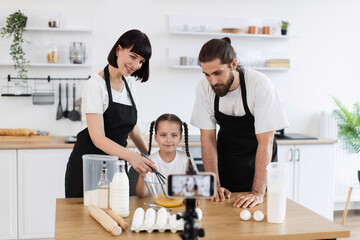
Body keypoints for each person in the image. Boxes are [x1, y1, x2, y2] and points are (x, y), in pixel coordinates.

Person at [191, 37, 289, 208]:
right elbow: (207, 139)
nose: (212, 81)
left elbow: (265, 143)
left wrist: (258, 192)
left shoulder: (259, 85)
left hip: (258, 165)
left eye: (217, 73)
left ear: (233, 64)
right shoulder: (204, 88)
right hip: (226, 163)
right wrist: (214, 184)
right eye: (206, 74)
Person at [65, 29, 157, 198]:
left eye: (141, 61)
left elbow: (132, 127)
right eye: (133, 56)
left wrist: (150, 155)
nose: (136, 65)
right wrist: (133, 157)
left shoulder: (130, 84)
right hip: (88, 170)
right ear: (118, 50)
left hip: (116, 169)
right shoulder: (95, 85)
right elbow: (98, 138)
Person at [136, 113, 198, 197]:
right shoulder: (150, 161)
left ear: (180, 138)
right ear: (156, 137)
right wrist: (141, 177)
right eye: (163, 135)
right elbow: (141, 194)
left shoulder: (186, 159)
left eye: (174, 135)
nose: (168, 140)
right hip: (157, 207)